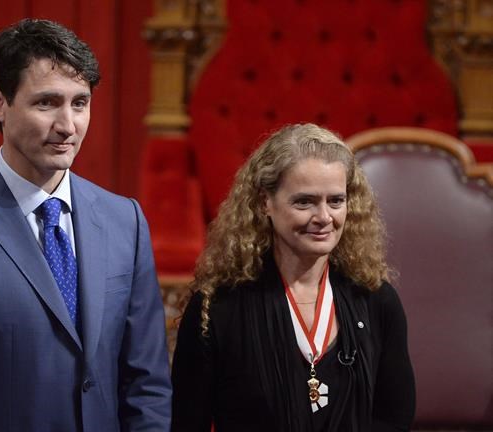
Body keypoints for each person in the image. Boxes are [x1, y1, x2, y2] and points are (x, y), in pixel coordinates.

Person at [0, 18, 171, 432]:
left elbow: (147, 385)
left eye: (80, 103)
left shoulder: (126, 221)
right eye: (47, 103)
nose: (68, 126)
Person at [171, 123, 415, 431]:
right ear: (265, 203)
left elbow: (393, 419)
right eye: (305, 201)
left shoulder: (377, 299)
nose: (324, 217)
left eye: (336, 201)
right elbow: (185, 422)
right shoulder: (215, 308)